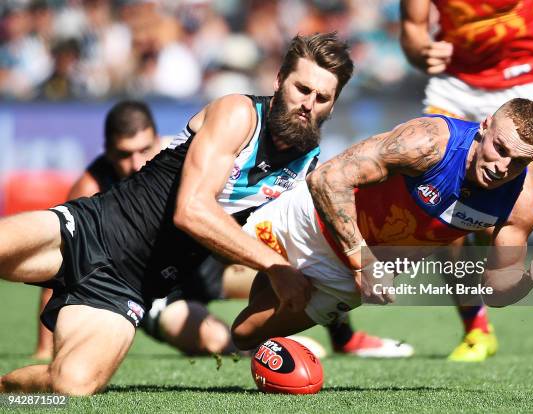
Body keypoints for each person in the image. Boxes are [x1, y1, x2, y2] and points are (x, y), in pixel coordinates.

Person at [0, 32, 353, 396]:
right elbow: (192, 210)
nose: (308, 103)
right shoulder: (239, 114)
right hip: (91, 230)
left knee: (70, 386)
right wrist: (276, 268)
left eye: (322, 97)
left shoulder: (306, 168)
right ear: (280, 81)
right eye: (302, 89)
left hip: (127, 289)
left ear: (332, 105)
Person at [230, 98, 533, 352]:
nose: (502, 167)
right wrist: (362, 259)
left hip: (346, 278)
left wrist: (526, 283)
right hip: (314, 221)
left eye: (519, 162)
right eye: (500, 148)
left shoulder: (523, 201)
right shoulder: (429, 142)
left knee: (245, 333)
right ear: (485, 125)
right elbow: (327, 179)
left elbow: (495, 289)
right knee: (215, 253)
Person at [399, 0, 533, 361]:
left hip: (521, 85)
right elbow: (413, 31)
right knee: (446, 217)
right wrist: (421, 50)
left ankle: (496, 287)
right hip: (453, 87)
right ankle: (476, 327)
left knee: (500, 216)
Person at [32, 100, 163, 359]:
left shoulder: (180, 161)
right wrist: (44, 350)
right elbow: (60, 269)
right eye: (125, 154)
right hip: (149, 288)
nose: (136, 163)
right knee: (213, 340)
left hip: (200, 263)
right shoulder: (89, 190)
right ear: (108, 151)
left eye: (144, 149)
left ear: (157, 141)